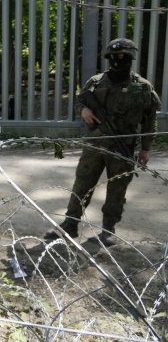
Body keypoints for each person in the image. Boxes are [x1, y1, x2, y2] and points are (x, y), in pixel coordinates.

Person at [44, 38, 161, 246]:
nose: (117, 61)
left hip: (123, 146)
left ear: (131, 58)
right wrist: (84, 110)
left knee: (117, 189)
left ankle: (108, 228)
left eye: (123, 57)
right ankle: (70, 225)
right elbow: (80, 101)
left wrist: (145, 149)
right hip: (94, 145)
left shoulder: (143, 87)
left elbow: (149, 120)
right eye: (114, 57)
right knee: (82, 184)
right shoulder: (96, 82)